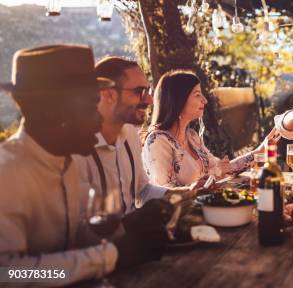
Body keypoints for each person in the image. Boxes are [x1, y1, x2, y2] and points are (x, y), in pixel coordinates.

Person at [0, 45, 171, 285]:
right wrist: (110, 257)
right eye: (91, 106)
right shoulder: (8, 173)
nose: (99, 117)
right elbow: (8, 274)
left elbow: (71, 237)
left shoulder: (64, 163)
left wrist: (128, 227)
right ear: (56, 112)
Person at [73, 57, 199, 215]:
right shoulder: (77, 152)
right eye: (139, 92)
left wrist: (176, 194)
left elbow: (142, 189)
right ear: (108, 95)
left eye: (148, 91)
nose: (150, 100)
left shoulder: (130, 133)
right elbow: (80, 223)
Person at [143, 70, 275, 187]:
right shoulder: (157, 141)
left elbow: (226, 168)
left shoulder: (192, 137)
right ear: (178, 100)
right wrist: (215, 173)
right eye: (197, 95)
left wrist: (261, 150)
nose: (204, 100)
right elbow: (167, 193)